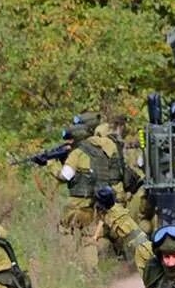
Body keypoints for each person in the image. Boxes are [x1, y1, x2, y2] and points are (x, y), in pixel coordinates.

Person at [50, 112, 128, 266]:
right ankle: (92, 269)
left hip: (76, 204)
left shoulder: (77, 153)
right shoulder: (99, 149)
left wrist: (51, 164)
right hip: (95, 202)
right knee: (89, 238)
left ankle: (69, 265)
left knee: (65, 230)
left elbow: (65, 176)